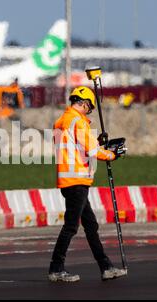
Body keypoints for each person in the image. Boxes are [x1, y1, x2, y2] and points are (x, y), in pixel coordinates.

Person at [49, 86, 126, 282]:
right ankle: (56, 268)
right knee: (71, 226)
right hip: (77, 180)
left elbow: (78, 148)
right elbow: (92, 152)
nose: (88, 110)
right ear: (84, 103)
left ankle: (106, 267)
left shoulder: (62, 121)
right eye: (88, 107)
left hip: (69, 180)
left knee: (90, 225)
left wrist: (96, 142)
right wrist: (112, 154)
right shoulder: (78, 121)